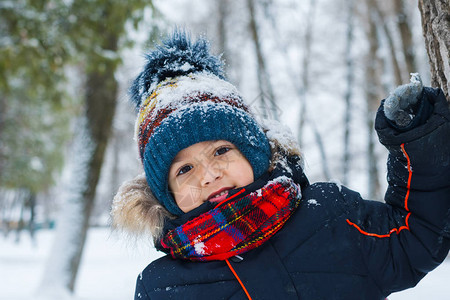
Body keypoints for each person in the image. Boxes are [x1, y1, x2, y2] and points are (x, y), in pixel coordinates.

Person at [112, 30, 450, 299]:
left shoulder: (332, 216)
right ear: (166, 195)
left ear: (254, 153)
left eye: (220, 151)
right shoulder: (162, 288)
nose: (210, 174)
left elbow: (418, 235)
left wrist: (418, 142)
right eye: (184, 169)